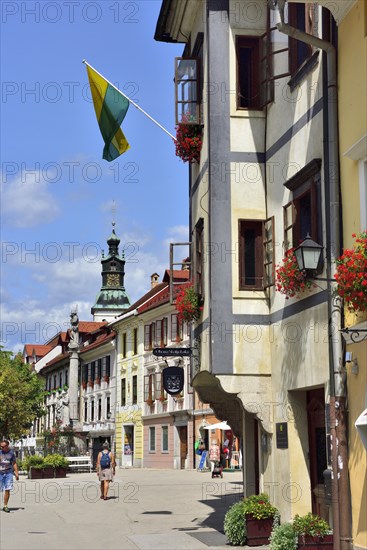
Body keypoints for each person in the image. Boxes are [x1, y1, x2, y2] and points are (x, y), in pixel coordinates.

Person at [0, 440, 19, 513]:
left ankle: (5, 506)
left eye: (3, 446)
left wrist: (16, 473)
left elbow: (14, 463)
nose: (1, 447)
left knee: (7, 489)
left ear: (7, 446)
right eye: (0, 446)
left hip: (8, 473)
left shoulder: (11, 453)